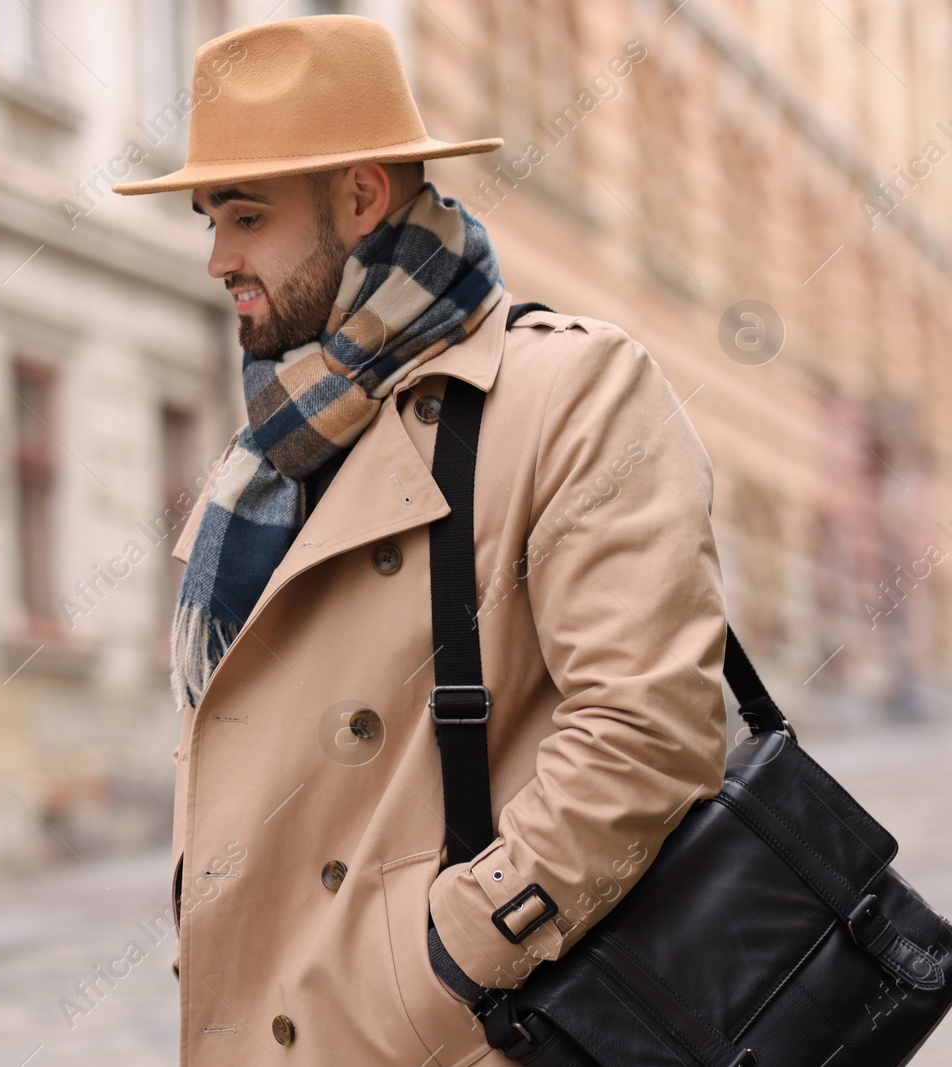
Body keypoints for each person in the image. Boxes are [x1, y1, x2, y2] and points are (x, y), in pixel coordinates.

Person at [112, 15, 728, 1067]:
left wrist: (446, 959)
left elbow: (649, 727)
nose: (217, 257)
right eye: (211, 218)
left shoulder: (569, 391)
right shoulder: (270, 445)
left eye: (246, 216)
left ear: (360, 196)